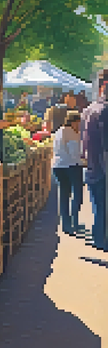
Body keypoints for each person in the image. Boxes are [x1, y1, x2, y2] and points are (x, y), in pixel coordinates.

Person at [81, 69, 108, 251]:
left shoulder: (93, 110)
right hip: (100, 167)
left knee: (99, 206)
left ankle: (100, 240)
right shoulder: (101, 110)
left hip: (95, 168)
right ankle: (101, 240)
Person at [52, 111, 84, 234]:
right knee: (77, 195)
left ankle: (66, 225)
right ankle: (74, 222)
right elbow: (74, 153)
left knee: (64, 195)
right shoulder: (71, 132)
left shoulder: (60, 131)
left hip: (58, 166)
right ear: (74, 122)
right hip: (71, 166)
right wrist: (84, 161)